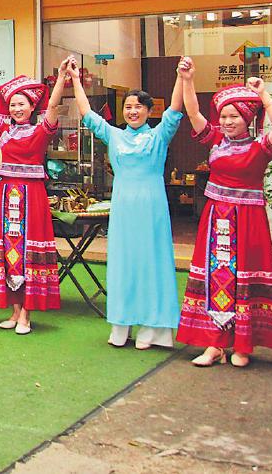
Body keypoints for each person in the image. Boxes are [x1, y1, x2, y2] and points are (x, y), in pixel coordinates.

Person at [176, 58, 272, 367]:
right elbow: (193, 114)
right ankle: (214, 344)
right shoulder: (216, 141)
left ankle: (242, 346)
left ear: (247, 118)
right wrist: (188, 79)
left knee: (243, 277)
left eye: (233, 116)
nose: (226, 122)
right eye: (223, 116)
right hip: (216, 219)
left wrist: (263, 95)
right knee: (216, 277)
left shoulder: (261, 147)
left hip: (249, 221)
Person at [68, 61, 184, 349]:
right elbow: (87, 113)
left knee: (152, 262)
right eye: (128, 107)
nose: (132, 111)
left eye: (138, 107)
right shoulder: (115, 135)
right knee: (123, 263)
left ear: (149, 111)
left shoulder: (159, 135)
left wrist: (182, 77)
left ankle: (152, 327)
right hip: (123, 207)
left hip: (151, 207)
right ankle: (121, 324)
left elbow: (175, 110)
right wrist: (75, 79)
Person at [0, 53, 69, 334]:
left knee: (28, 250)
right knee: (9, 250)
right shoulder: (4, 131)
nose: (16, 108)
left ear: (32, 106)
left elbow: (53, 105)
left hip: (32, 197)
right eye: (12, 104)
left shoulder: (41, 131)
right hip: (6, 195)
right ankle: (14, 311)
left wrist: (61, 77)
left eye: (22, 104)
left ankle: (26, 314)